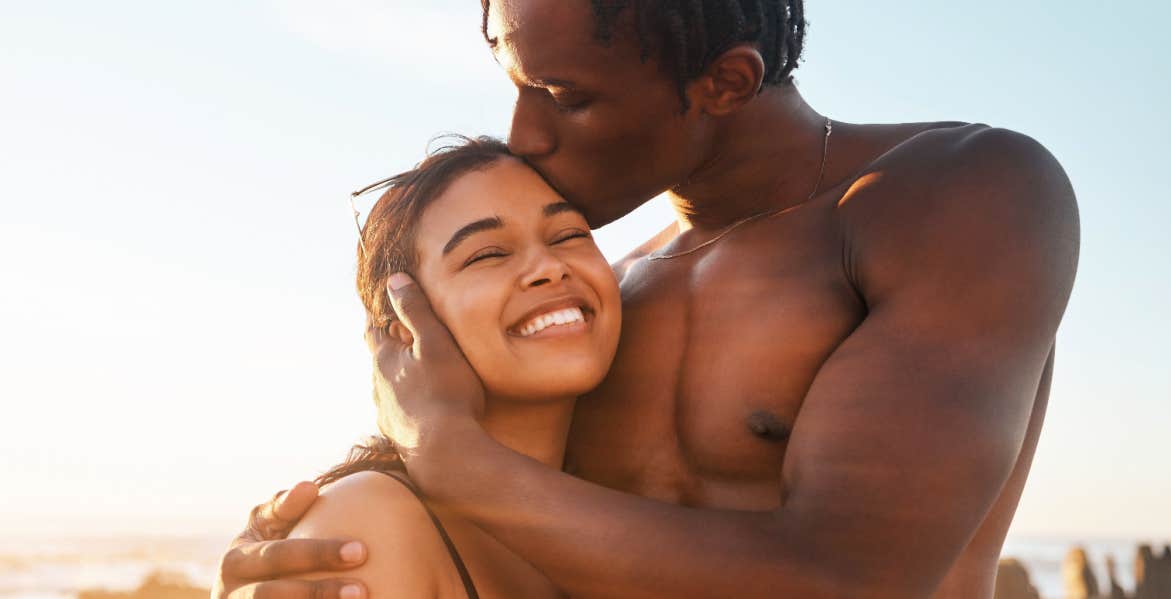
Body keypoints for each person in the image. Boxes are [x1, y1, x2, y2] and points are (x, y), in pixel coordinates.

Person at [215, 1, 1080, 597]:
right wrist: (305, 554)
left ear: (726, 84)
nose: (525, 136)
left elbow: (854, 580)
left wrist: (456, 462)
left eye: (565, 97)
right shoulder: (599, 301)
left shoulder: (959, 196)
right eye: (518, 83)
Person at [279, 137, 618, 599]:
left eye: (569, 236)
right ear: (402, 326)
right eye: (487, 254)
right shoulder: (367, 528)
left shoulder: (628, 504)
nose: (550, 267)